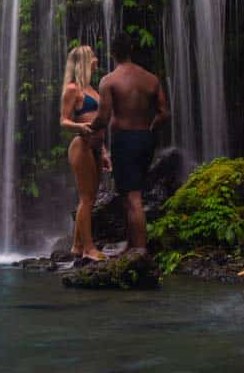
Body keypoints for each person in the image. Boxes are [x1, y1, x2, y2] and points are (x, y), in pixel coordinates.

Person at [90, 32, 168, 255]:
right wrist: (151, 128)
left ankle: (140, 248)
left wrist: (86, 128)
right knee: (129, 193)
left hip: (124, 139)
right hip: (146, 138)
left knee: (132, 196)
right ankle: (131, 243)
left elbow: (103, 117)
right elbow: (164, 113)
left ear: (112, 53)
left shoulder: (109, 81)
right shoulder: (151, 79)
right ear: (131, 49)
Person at [59, 45, 110, 261]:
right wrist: (79, 127)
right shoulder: (73, 89)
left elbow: (99, 124)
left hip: (96, 146)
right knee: (86, 198)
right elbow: (63, 120)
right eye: (93, 55)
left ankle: (77, 246)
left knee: (91, 197)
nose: (97, 58)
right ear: (85, 61)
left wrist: (104, 151)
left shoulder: (92, 89)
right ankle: (89, 248)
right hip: (82, 144)